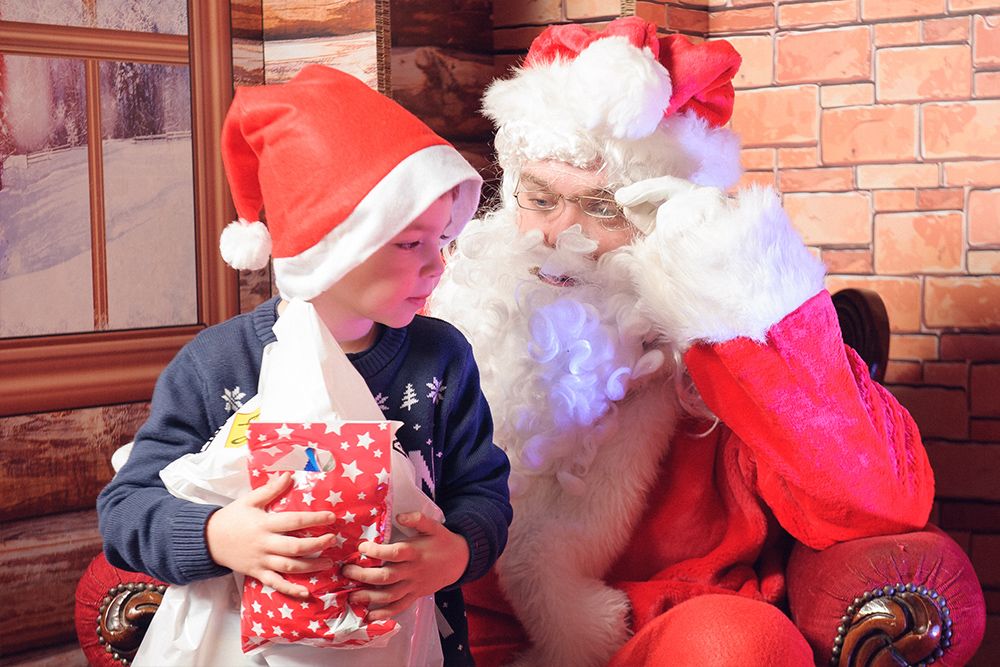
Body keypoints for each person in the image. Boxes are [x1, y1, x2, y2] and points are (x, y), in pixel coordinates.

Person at [427, 17, 935, 667]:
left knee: (736, 643)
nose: (560, 236)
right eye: (541, 198)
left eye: (605, 208)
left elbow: (879, 504)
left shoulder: (727, 354)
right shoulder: (447, 312)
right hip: (462, 637)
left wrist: (736, 286)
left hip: (668, 637)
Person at [97, 64, 512, 666]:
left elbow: (484, 491)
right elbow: (125, 510)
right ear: (331, 243)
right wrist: (217, 537)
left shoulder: (442, 358)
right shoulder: (216, 366)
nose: (436, 266)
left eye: (442, 240)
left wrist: (456, 552)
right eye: (409, 242)